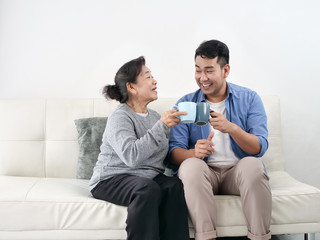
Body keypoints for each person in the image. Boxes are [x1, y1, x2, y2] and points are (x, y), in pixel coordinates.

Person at [169, 40, 272, 240]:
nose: (202, 78)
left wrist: (232, 128)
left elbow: (260, 147)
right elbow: (173, 153)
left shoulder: (249, 98)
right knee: (190, 165)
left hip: (237, 172)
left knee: (253, 165)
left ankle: (259, 237)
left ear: (226, 70)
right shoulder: (185, 104)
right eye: (198, 70)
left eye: (209, 70)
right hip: (204, 173)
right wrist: (193, 153)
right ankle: (206, 237)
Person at [89, 56, 189, 240]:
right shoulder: (120, 117)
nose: (155, 81)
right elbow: (131, 156)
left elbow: (164, 159)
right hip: (111, 178)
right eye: (148, 76)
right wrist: (161, 127)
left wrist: (192, 152)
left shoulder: (155, 117)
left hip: (146, 178)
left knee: (173, 186)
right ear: (132, 87)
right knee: (146, 189)